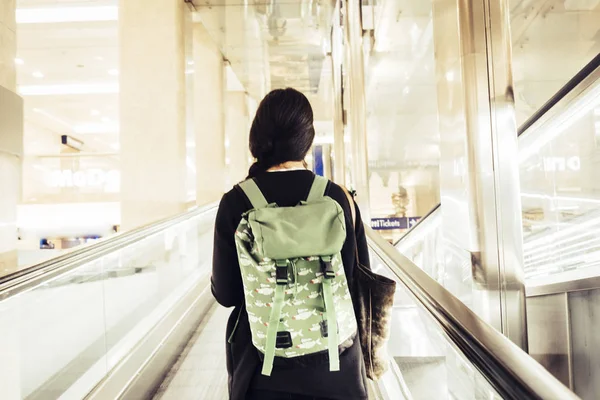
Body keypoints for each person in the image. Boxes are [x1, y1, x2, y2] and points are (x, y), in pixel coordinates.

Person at [212, 88, 371, 400]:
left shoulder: (236, 202)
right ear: (306, 138)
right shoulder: (337, 198)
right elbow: (357, 279)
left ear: (257, 135)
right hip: (336, 368)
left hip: (263, 372)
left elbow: (227, 294)